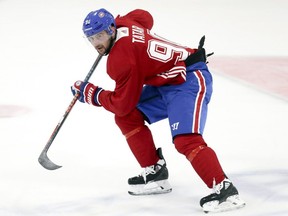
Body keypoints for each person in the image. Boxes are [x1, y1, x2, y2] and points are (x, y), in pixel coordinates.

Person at [71, 8, 245, 213]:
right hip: (168, 80)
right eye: (91, 38)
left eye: (100, 36)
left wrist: (94, 94)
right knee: (127, 117)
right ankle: (156, 173)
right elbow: (145, 17)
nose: (96, 43)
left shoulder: (121, 59)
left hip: (189, 78)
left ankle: (226, 191)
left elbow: (121, 103)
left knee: (186, 140)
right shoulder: (124, 22)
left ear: (111, 29)